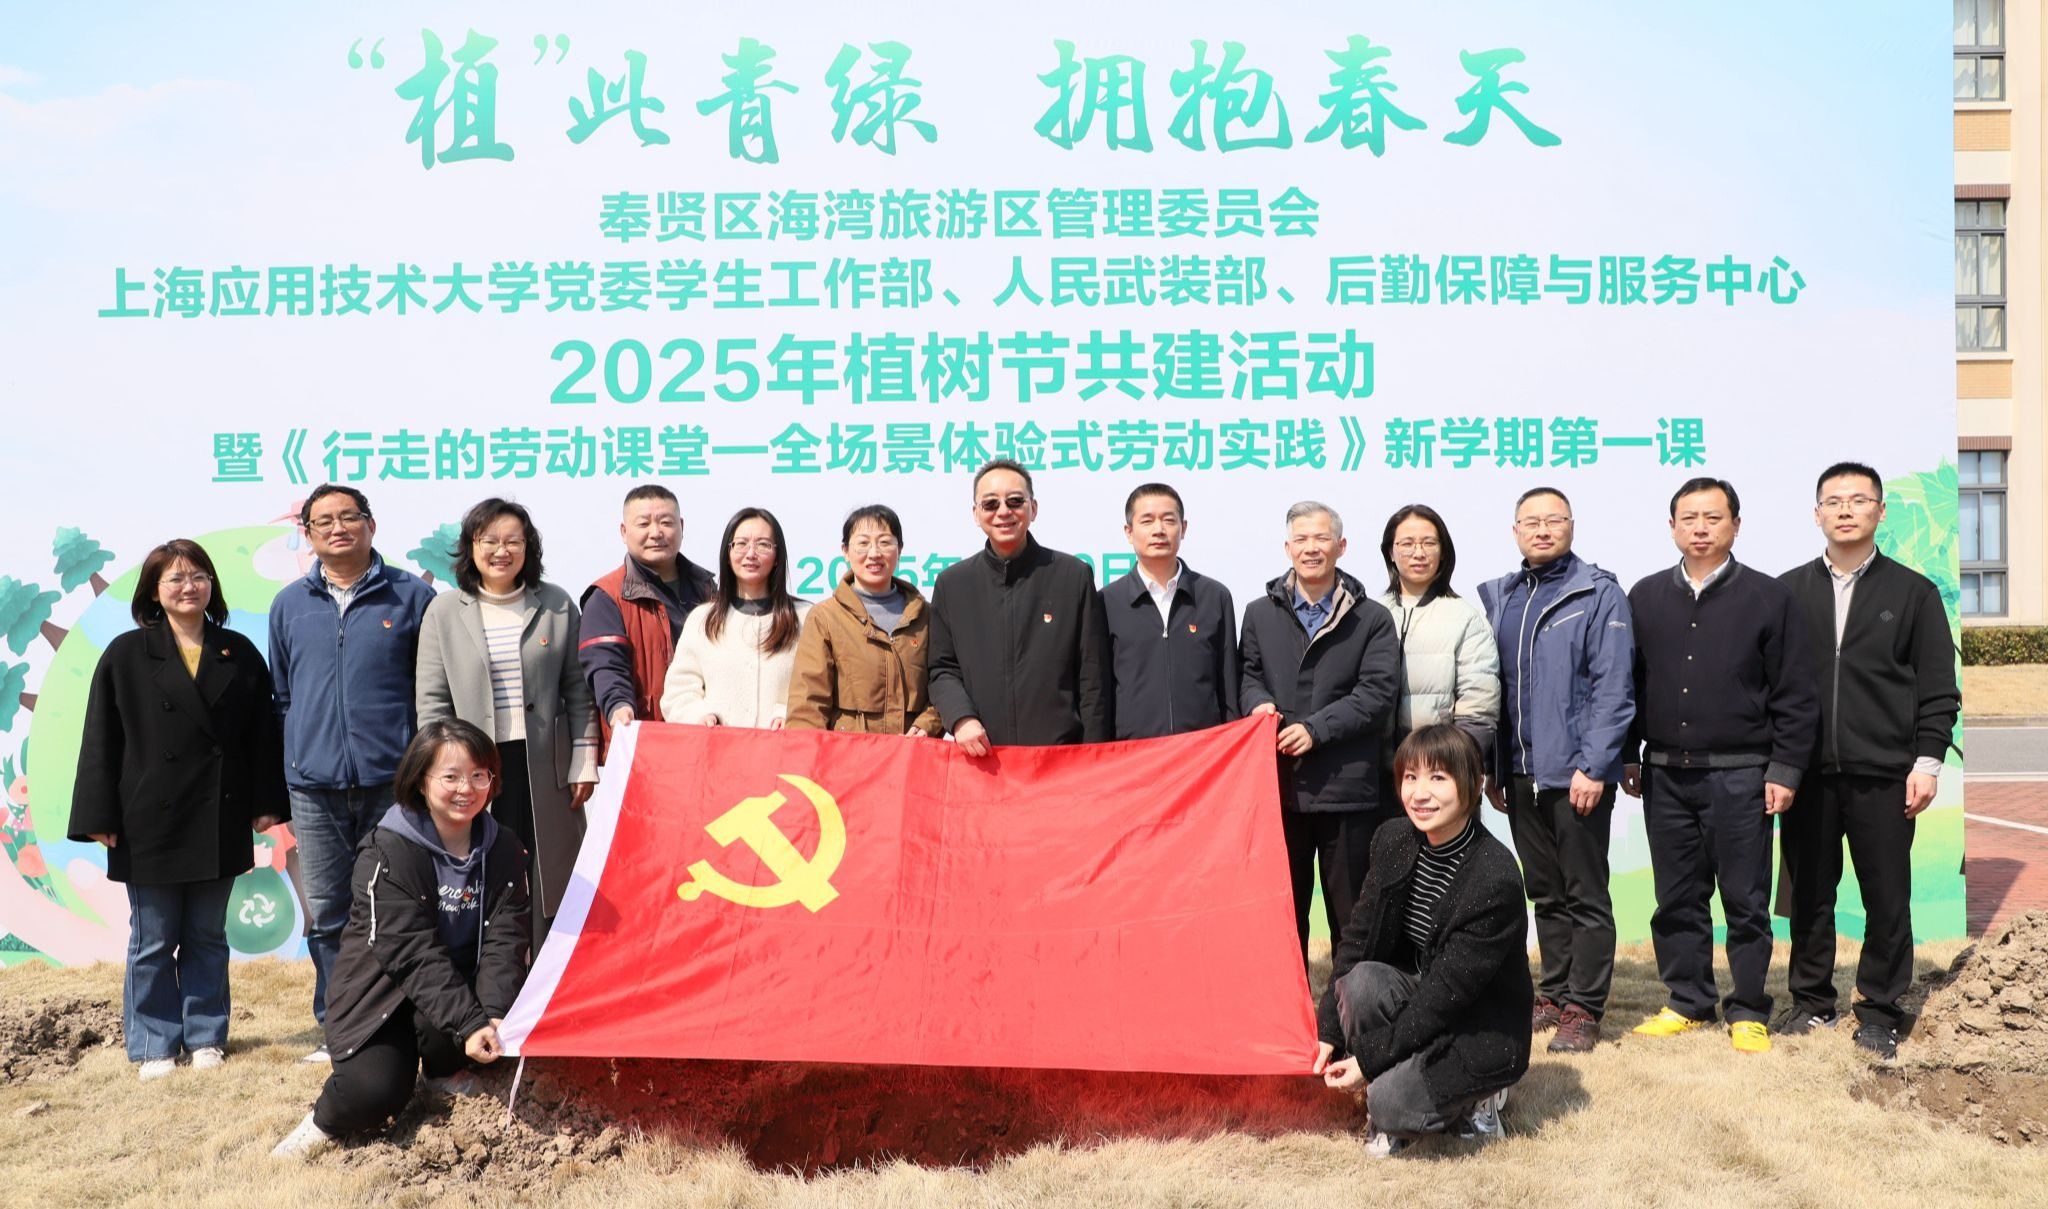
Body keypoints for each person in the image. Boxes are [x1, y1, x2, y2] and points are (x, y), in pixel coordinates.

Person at [70, 539, 286, 1080]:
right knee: (154, 939)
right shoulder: (125, 654)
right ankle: (154, 1044)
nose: (189, 587)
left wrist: (266, 802)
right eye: (175, 578)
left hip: (220, 814)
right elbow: (101, 739)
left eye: (198, 576)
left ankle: (207, 1036)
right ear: (153, 591)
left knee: (208, 935)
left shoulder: (238, 652)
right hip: (149, 819)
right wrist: (98, 816)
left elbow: (263, 736)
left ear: (212, 585)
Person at [270, 719, 529, 1159]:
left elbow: (507, 937)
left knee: (490, 1043)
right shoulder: (387, 852)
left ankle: (442, 1071)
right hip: (381, 994)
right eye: (450, 776)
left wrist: (494, 1014)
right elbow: (411, 952)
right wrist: (470, 1023)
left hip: (452, 988)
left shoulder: (502, 848)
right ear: (421, 781)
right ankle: (321, 1122)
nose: (466, 788)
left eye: (478, 775)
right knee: (375, 1092)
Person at [1623, 478, 1817, 1053]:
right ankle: (1687, 1000)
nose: (1700, 528)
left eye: (1713, 517)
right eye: (1689, 518)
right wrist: (1629, 754)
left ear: (1736, 524)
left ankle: (1749, 1008)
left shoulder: (1769, 598)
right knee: (1676, 896)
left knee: (1745, 898)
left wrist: (1785, 770)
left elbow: (1795, 693)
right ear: (1672, 527)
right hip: (1664, 773)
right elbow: (1630, 683)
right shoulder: (1645, 596)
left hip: (1741, 773)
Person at [1777, 462, 1961, 1060]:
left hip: (1885, 773)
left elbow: (1938, 689)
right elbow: (1769, 686)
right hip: (1806, 773)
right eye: (1833, 501)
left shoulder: (1913, 592)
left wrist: (1927, 762)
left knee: (1886, 897)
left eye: (1858, 500)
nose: (1845, 510)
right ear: (1817, 514)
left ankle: (1880, 1010)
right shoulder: (1787, 592)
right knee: (1809, 894)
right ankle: (1810, 1002)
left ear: (1880, 512)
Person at [270, 484, 435, 1061]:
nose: (337, 528)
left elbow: (428, 691)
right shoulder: (289, 604)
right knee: (328, 913)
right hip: (313, 788)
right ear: (308, 534)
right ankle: (341, 1028)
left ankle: (403, 1024)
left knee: (399, 906)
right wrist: (300, 757)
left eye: (349, 517)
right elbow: (284, 696)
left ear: (371, 524)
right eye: (324, 521)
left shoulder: (412, 596)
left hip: (393, 785)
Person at [1312, 724, 1532, 1155]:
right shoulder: (1393, 839)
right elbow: (1357, 940)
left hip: (1477, 1025)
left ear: (1473, 784)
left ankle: (1482, 1097)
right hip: (1420, 1001)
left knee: (1388, 1102)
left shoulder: (1494, 877)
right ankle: (1399, 1080)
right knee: (1360, 982)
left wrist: (1369, 1061)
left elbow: (1445, 998)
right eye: (1410, 777)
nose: (1420, 793)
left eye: (1438, 777)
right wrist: (1329, 1028)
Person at [1477, 486, 1634, 1054]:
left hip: (1576, 774)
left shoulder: (1598, 593)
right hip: (1521, 773)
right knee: (1545, 891)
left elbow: (1614, 688)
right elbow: (1497, 690)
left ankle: (1584, 1008)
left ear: (1571, 525)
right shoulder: (1502, 596)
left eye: (1554, 520)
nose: (1542, 530)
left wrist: (1594, 766)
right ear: (1515, 531)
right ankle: (1555, 992)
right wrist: (1495, 768)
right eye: (1531, 522)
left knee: (1585, 893)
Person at [416, 498, 599, 947]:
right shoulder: (444, 611)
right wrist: (441, 769)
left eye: (513, 541)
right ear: (470, 547)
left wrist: (583, 759)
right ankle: (491, 964)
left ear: (528, 547)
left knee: (549, 870)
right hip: (474, 766)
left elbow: (579, 690)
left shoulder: (555, 604)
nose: (502, 551)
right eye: (490, 541)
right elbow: (433, 701)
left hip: (543, 764)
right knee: (481, 864)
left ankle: (547, 966)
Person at [1240, 501, 1400, 965]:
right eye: (1302, 539)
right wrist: (1257, 702)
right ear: (1287, 547)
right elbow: (1247, 675)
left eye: (1322, 538)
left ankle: (1349, 1005)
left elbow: (1376, 694)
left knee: (1352, 919)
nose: (1311, 548)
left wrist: (1315, 729)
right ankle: (1289, 1005)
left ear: (1341, 546)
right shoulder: (1259, 613)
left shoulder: (1371, 618)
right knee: (1282, 914)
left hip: (1346, 790)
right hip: (1279, 788)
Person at [927, 458, 1113, 753]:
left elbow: (1093, 678)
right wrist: (961, 718)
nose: (1003, 512)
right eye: (990, 504)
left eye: (1015, 501)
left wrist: (1093, 756)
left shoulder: (1072, 576)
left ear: (1033, 508)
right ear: (976, 514)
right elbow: (942, 669)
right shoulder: (953, 584)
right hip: (983, 759)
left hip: (1059, 759)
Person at [580, 485, 717, 760]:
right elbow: (606, 666)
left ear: (681, 526)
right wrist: (618, 706)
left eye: (666, 522)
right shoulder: (606, 596)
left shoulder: (709, 591)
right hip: (642, 746)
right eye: (643, 524)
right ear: (624, 531)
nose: (656, 532)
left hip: (706, 742)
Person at [785, 504, 944, 736]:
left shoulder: (927, 616)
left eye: (885, 542)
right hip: (847, 754)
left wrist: (927, 724)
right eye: (863, 543)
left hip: (913, 754)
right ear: (845, 551)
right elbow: (808, 704)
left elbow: (945, 683)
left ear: (899, 549)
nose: (874, 553)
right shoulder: (825, 617)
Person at [1102, 482, 1240, 739]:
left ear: (1183, 528)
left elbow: (1229, 688)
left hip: (1203, 751)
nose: (1159, 530)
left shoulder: (1214, 597)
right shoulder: (1107, 603)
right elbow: (1100, 692)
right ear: (1129, 532)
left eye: (1168, 520)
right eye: (1147, 521)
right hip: (1133, 753)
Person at [661, 508, 812, 728]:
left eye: (763, 545)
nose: (751, 554)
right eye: (741, 544)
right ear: (728, 553)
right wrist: (699, 715)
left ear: (777, 556)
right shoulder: (703, 620)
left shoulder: (805, 617)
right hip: (718, 746)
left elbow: (817, 688)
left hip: (784, 746)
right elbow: (679, 691)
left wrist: (790, 715)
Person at [1376, 503, 1500, 757]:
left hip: (1437, 764)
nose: (1419, 553)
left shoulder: (1465, 617)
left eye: (1429, 543)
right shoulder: (1371, 613)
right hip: (1374, 766)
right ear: (1390, 552)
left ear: (1443, 552)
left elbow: (1478, 706)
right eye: (1407, 543)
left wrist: (1455, 764)